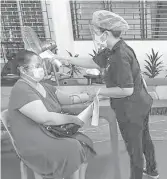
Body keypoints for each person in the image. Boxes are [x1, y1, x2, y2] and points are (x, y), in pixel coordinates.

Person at [54, 10, 159, 179]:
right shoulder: (112, 49)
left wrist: (97, 91)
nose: (94, 35)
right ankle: (152, 171)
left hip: (132, 108)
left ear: (106, 33)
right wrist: (66, 60)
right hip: (140, 103)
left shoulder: (120, 55)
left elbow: (126, 90)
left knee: (134, 148)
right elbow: (93, 62)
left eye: (95, 31)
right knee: (144, 138)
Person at [7, 50, 96, 179]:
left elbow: (68, 99)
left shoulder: (44, 86)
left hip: (51, 132)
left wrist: (88, 96)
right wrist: (73, 119)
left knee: (84, 141)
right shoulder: (22, 89)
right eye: (37, 66)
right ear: (23, 70)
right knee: (73, 147)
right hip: (34, 141)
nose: (41, 69)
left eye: (41, 65)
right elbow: (46, 118)